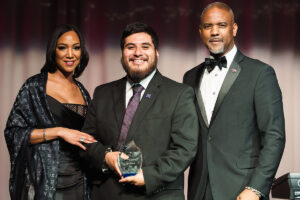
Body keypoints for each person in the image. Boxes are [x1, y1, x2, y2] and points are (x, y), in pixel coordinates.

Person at [79, 22, 199, 200]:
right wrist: (106, 157)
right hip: (106, 194)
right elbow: (85, 142)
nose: (137, 53)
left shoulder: (179, 94)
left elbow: (185, 148)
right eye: (130, 47)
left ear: (156, 53)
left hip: (155, 194)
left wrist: (150, 176)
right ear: (122, 54)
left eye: (145, 46)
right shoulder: (102, 93)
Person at [183, 2, 285, 200]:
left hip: (242, 189)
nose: (214, 32)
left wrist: (255, 188)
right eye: (208, 26)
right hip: (199, 189)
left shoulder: (260, 73)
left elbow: (274, 136)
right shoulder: (190, 77)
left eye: (221, 25)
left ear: (234, 28)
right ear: (200, 31)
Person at [5, 24, 96, 200]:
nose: (70, 54)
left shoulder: (83, 91)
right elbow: (13, 133)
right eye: (63, 47)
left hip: (80, 181)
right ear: (53, 51)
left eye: (76, 48)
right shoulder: (34, 87)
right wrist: (59, 132)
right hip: (44, 182)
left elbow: (88, 135)